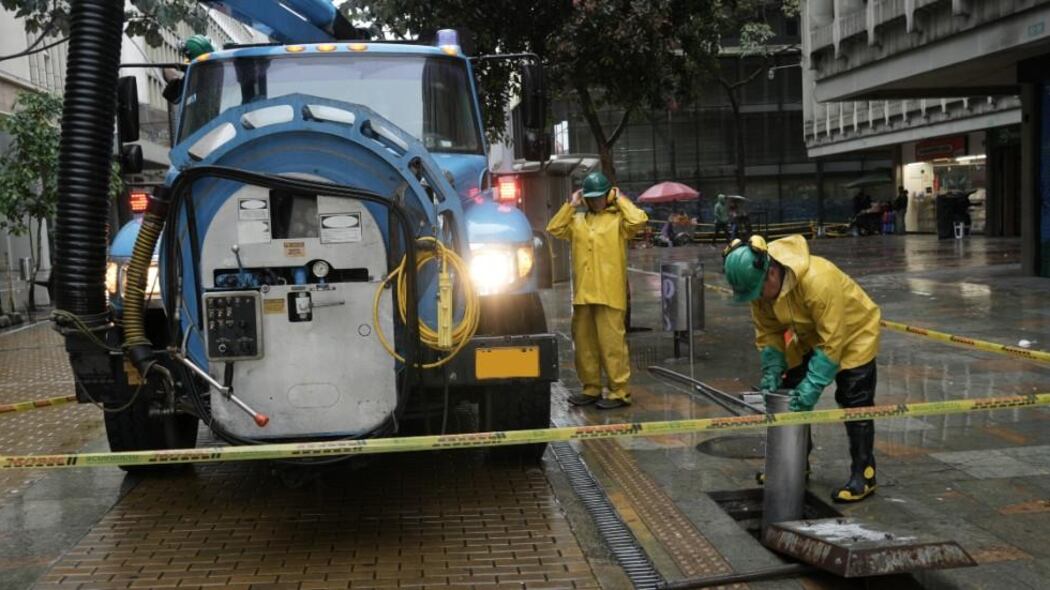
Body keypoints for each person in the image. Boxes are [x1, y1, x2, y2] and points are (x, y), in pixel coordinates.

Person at [723, 234, 881, 503]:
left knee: (855, 401)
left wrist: (813, 385)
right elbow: (768, 331)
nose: (757, 298)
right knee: (789, 390)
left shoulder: (819, 279)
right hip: (809, 335)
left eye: (758, 291)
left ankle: (864, 474)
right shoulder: (759, 287)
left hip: (854, 334)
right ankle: (795, 463)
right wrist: (772, 368)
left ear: (772, 273)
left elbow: (833, 341)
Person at [548, 171, 649, 409]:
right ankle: (591, 388)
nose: (595, 202)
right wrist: (571, 205)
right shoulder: (577, 222)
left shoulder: (619, 222)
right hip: (584, 294)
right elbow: (554, 228)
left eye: (599, 197)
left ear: (608, 195)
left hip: (609, 293)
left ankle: (619, 392)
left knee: (612, 346)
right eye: (590, 198)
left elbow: (639, 220)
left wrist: (620, 198)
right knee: (585, 346)